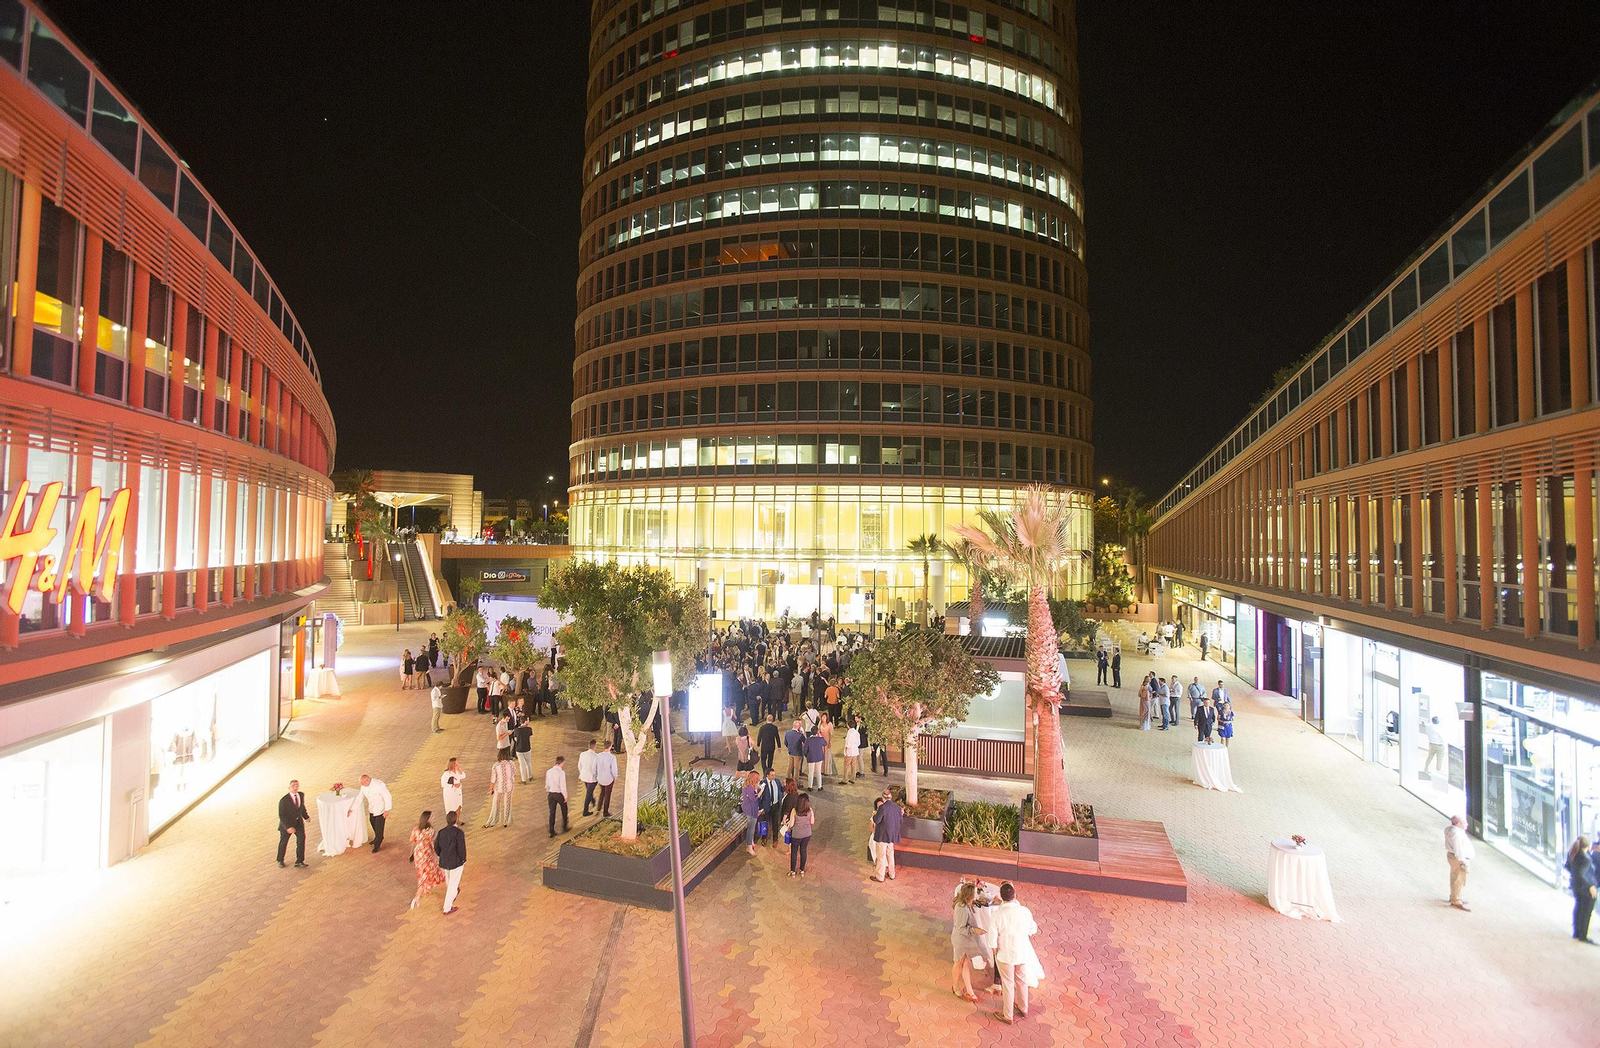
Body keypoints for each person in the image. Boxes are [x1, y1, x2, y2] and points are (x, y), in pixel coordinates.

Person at [990, 882, 1043, 1023]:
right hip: (1022, 951)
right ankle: (1023, 1008)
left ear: (1001, 897)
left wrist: (994, 951)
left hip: (1005, 953)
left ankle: (1008, 1015)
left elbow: (992, 939)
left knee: (1008, 983)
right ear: (1015, 895)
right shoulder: (1025, 911)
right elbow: (1033, 930)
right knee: (1022, 980)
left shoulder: (997, 915)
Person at [951, 883, 985, 1002]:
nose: (977, 894)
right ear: (970, 895)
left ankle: (970, 991)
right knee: (959, 963)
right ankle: (955, 987)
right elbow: (961, 928)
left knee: (966, 963)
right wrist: (975, 930)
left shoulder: (967, 904)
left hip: (965, 940)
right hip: (961, 940)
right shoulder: (961, 908)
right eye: (976, 892)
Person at [408, 811, 447, 911]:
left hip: (418, 855)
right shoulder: (429, 831)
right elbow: (433, 844)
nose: (433, 818)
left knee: (422, 874)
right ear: (428, 819)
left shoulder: (416, 828)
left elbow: (413, 842)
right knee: (427, 875)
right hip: (426, 855)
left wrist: (411, 854)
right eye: (431, 817)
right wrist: (437, 855)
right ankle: (417, 897)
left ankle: (425, 890)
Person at [1567, 836, 1597, 943]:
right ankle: (1583, 935)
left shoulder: (1573, 854)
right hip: (1585, 889)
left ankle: (1577, 932)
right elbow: (1582, 874)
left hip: (1577, 887)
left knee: (1579, 908)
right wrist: (1590, 886)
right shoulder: (1586, 858)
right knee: (1586, 912)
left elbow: (1569, 867)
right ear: (1587, 846)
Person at [436, 812, 466, 915]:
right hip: (456, 862)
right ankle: (447, 907)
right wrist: (463, 859)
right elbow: (461, 848)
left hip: (444, 861)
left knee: (449, 881)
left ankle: (453, 894)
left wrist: (441, 855)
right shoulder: (459, 833)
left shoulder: (441, 832)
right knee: (453, 883)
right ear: (456, 820)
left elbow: (437, 848)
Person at [871, 788, 903, 882]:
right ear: (891, 797)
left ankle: (880, 876)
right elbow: (900, 821)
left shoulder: (882, 808)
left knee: (881, 856)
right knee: (890, 855)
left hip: (882, 835)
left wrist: (874, 815)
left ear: (883, 798)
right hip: (892, 836)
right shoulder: (897, 808)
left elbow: (877, 820)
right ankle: (891, 874)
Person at [277, 779, 309, 868]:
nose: (295, 787)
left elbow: (301, 807)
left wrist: (306, 816)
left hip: (298, 823)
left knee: (301, 840)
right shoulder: (284, 800)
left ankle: (299, 861)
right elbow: (282, 815)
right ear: (289, 788)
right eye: (293, 786)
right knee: (284, 842)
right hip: (287, 825)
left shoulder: (301, 795)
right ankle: (280, 859)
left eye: (296, 785)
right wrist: (288, 827)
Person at [359, 773, 393, 853]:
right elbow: (360, 797)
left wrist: (387, 810)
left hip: (380, 809)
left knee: (379, 827)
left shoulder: (379, 784)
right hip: (372, 809)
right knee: (372, 822)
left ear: (367, 780)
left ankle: (377, 845)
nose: (363, 786)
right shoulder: (363, 786)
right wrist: (352, 809)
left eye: (364, 784)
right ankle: (377, 837)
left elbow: (387, 796)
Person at [1445, 815, 1473, 911]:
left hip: (1452, 856)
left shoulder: (1449, 829)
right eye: (1464, 823)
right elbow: (1458, 849)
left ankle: (1454, 896)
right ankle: (1456, 900)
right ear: (1457, 824)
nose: (1466, 824)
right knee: (1459, 880)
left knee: (1454, 877)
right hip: (1458, 858)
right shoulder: (1456, 834)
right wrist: (1463, 861)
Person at [786, 792, 816, 876]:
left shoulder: (794, 810)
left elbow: (791, 824)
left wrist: (788, 827)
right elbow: (812, 822)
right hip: (807, 834)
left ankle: (792, 871)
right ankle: (802, 870)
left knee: (794, 852)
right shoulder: (809, 810)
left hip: (796, 835)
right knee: (803, 850)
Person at [486, 750, 516, 828]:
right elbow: (514, 773)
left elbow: (493, 779)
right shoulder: (511, 763)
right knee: (508, 803)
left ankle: (493, 821)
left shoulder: (496, 766)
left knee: (496, 803)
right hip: (509, 786)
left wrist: (491, 789)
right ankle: (506, 821)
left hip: (499, 787)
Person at [544, 755, 569, 837]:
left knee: (552, 812)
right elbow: (563, 786)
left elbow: (547, 783)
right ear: (561, 763)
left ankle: (551, 830)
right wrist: (565, 796)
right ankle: (564, 827)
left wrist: (548, 790)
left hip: (551, 794)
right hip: (559, 794)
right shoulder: (561, 773)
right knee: (564, 809)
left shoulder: (549, 771)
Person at [759, 769, 785, 847]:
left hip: (776, 806)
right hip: (767, 807)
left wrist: (785, 786)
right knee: (765, 823)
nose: (774, 776)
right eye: (772, 775)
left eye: (774, 775)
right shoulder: (763, 783)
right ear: (767, 775)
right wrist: (761, 808)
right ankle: (764, 838)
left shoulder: (777, 781)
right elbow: (760, 797)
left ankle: (775, 839)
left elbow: (781, 790)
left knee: (775, 823)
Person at [595, 738, 619, 817]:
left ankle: (598, 807)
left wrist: (596, 775)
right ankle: (605, 812)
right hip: (609, 779)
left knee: (602, 792)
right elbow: (614, 769)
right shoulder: (612, 757)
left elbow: (594, 767)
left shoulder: (598, 756)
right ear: (610, 746)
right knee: (607, 795)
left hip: (600, 778)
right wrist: (615, 776)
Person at [741, 771, 762, 855]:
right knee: (751, 828)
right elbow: (753, 799)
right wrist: (760, 792)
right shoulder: (749, 787)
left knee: (752, 827)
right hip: (751, 810)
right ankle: (749, 846)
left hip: (751, 808)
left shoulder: (749, 785)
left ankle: (751, 841)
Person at [578, 739, 601, 815]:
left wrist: (582, 772)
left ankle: (593, 800)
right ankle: (585, 811)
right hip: (592, 778)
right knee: (588, 793)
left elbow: (579, 766)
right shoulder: (596, 757)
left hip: (584, 776)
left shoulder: (582, 754)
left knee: (589, 791)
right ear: (595, 746)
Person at [804, 726, 827, 791]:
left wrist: (806, 755)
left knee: (811, 772)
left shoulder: (808, 740)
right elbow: (825, 743)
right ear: (817, 732)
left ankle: (810, 786)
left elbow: (804, 750)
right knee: (818, 772)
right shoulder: (820, 739)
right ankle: (819, 786)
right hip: (819, 757)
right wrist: (821, 736)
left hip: (811, 757)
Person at [512, 717, 534, 783]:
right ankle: (530, 776)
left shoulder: (516, 730)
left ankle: (523, 779)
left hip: (519, 749)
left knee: (522, 765)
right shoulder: (529, 729)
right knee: (528, 762)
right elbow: (530, 736)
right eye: (528, 720)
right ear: (525, 721)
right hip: (527, 748)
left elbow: (515, 739)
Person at [841, 718, 861, 784]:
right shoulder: (857, 733)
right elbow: (859, 743)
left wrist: (846, 751)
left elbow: (848, 744)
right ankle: (853, 778)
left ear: (848, 726)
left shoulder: (849, 733)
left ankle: (845, 779)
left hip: (849, 752)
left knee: (846, 766)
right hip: (855, 751)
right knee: (854, 765)